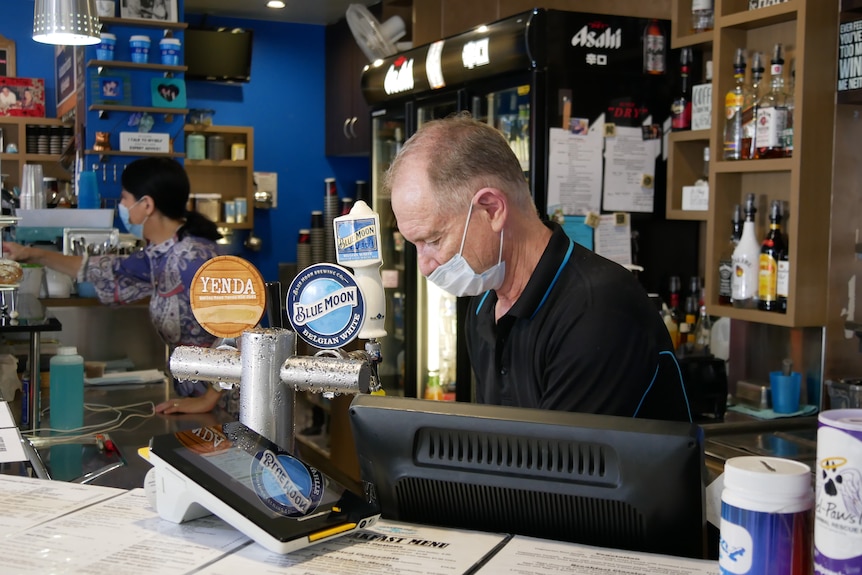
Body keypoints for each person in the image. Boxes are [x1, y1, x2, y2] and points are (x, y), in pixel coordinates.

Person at [384, 113, 691, 422]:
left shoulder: (598, 309)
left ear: (492, 209)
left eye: (434, 239)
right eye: (415, 245)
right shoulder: (483, 307)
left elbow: (559, 461)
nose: (424, 266)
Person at [3, 158, 229, 416]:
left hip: (224, 403)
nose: (122, 206)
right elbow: (98, 268)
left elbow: (242, 330)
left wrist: (209, 398)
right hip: (196, 396)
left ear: (146, 205)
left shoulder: (193, 258)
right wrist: (29, 254)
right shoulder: (159, 255)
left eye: (124, 198)